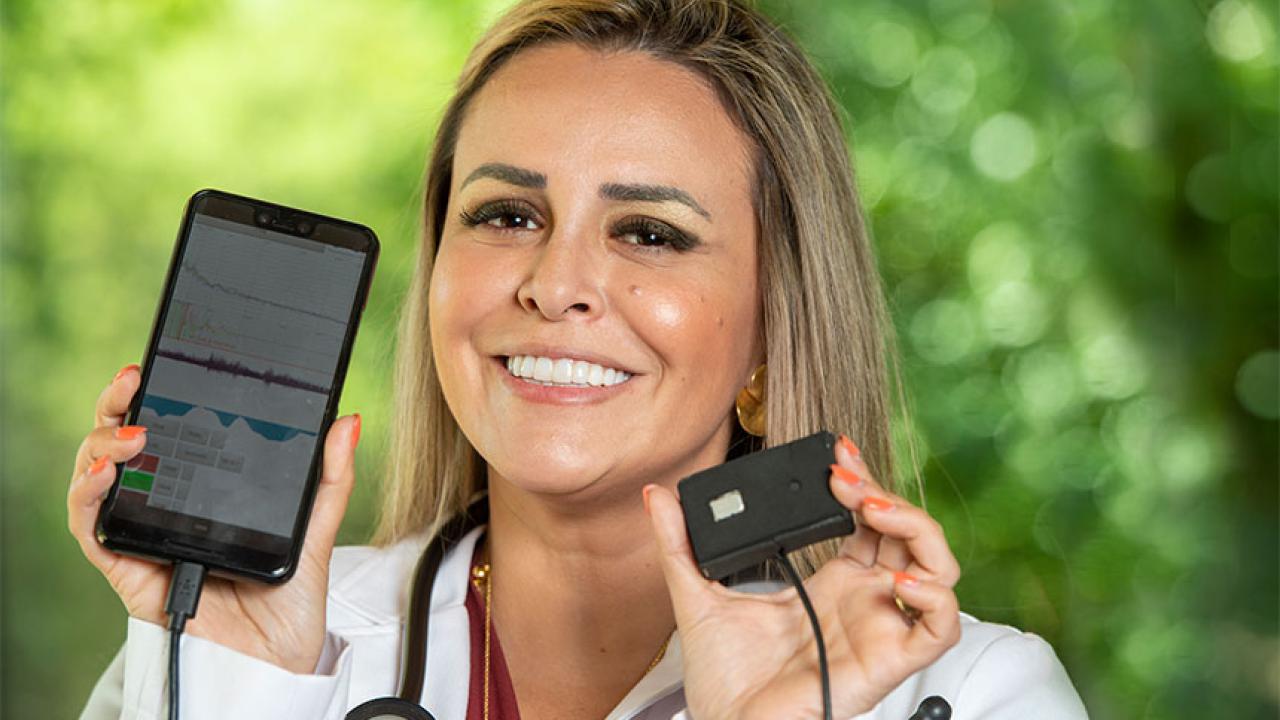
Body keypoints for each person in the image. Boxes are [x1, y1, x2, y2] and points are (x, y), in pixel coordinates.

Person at [70, 1, 1089, 718]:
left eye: (647, 232)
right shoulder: (215, 656)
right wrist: (240, 690)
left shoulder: (972, 695)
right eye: (506, 215)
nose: (554, 284)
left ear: (771, 335)